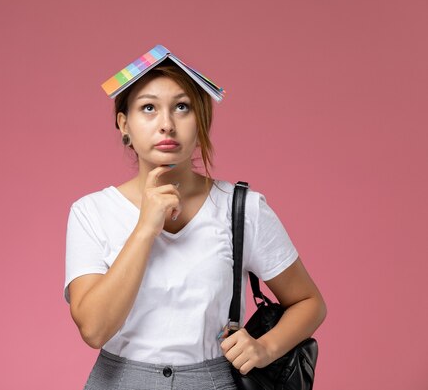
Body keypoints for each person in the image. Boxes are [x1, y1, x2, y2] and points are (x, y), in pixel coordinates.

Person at [64, 46, 326, 390]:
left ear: (201, 119)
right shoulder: (92, 212)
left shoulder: (243, 208)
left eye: (182, 107)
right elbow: (94, 330)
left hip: (212, 380)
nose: (166, 124)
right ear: (123, 123)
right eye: (148, 108)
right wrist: (145, 228)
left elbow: (310, 303)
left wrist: (265, 348)